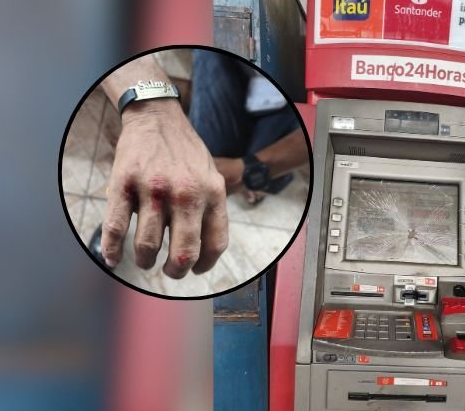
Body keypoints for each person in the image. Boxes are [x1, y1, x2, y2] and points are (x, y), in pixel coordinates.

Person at [90, 50, 307, 279]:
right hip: (238, 66)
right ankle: (261, 179)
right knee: (200, 165)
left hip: (293, 100)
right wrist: (150, 113)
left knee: (206, 170)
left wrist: (248, 171)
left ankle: (262, 179)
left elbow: (325, 130)